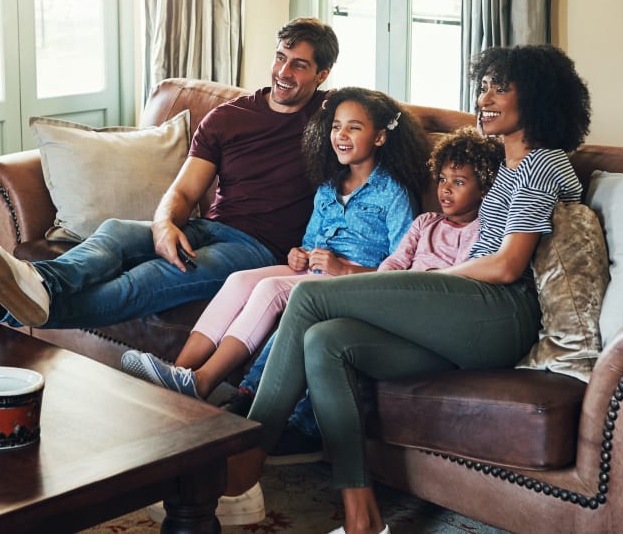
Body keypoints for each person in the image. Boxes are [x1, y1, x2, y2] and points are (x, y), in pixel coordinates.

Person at [225, 44, 591, 534]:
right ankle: (362, 518)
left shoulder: (540, 163)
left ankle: (242, 473)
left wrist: (420, 283)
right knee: (326, 341)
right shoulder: (508, 166)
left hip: (502, 314)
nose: (484, 98)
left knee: (310, 296)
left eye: (500, 88)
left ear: (540, 98)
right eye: (483, 85)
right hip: (468, 319)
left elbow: (507, 266)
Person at [0, 18, 340, 331]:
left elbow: (382, 127)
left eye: (299, 65)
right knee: (115, 231)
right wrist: (164, 225)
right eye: (280, 58)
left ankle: (2, 311)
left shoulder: (334, 119)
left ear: (322, 74)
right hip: (208, 227)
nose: (283, 72)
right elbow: (185, 192)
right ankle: (40, 280)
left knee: (145, 280)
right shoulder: (229, 118)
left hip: (258, 250)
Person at [120, 87, 431, 405]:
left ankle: (202, 381)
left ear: (379, 137)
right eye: (336, 126)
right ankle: (177, 372)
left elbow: (402, 271)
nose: (341, 135)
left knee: (271, 289)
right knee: (239, 280)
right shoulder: (328, 186)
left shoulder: (394, 193)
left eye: (354, 127)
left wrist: (345, 269)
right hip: (316, 272)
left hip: (354, 283)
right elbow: (310, 244)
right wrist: (299, 255)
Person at [219, 125, 504, 462]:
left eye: (459, 182)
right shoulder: (426, 222)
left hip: (428, 313)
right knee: (307, 318)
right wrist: (375, 290)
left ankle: (306, 428)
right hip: (392, 297)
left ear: (484, 190)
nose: (445, 190)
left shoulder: (482, 232)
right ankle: (251, 393)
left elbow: (464, 280)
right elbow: (395, 262)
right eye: (442, 179)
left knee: (331, 330)